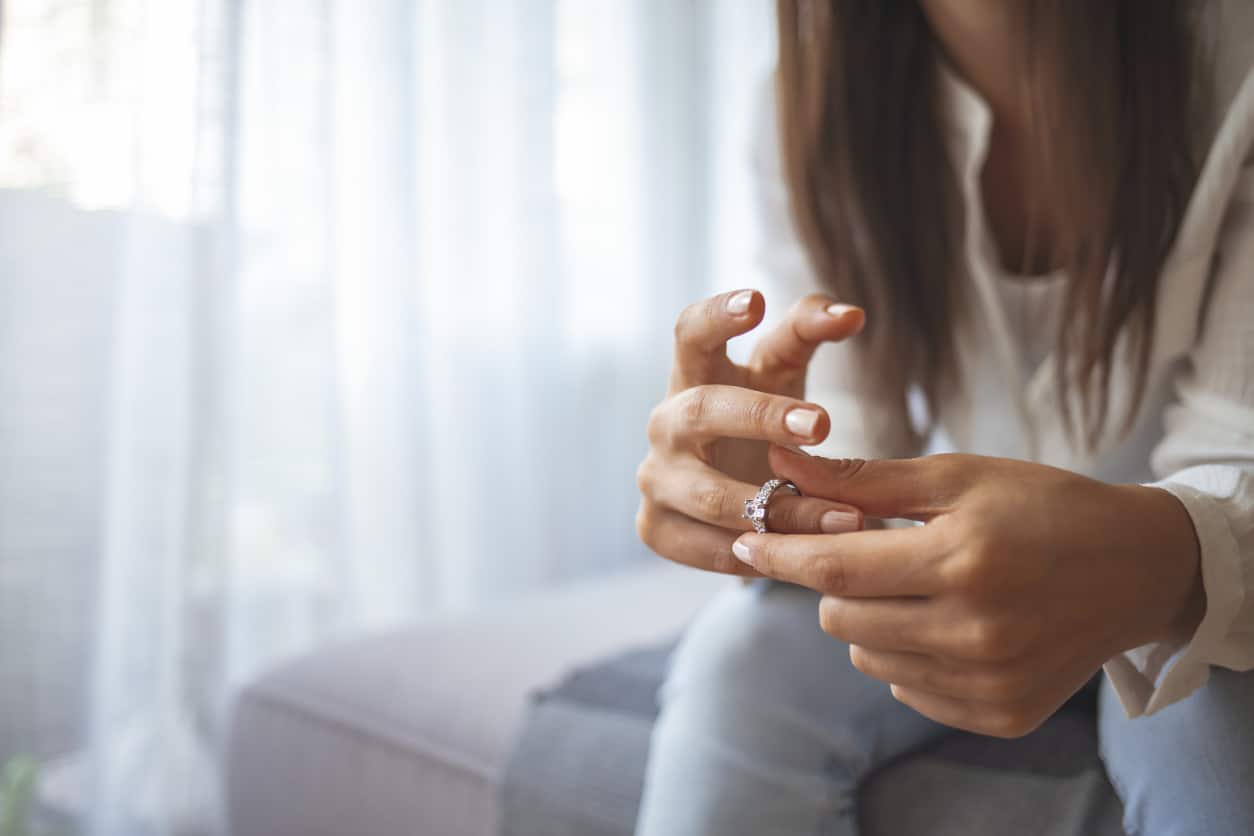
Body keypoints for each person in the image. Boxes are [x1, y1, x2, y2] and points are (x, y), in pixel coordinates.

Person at [632, 1, 1254, 834]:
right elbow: (856, 435)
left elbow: (1235, 455)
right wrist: (776, 495)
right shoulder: (816, 103)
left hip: (1182, 577)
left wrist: (1173, 564)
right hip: (978, 568)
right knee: (739, 662)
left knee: (1207, 739)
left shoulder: (1232, 61)